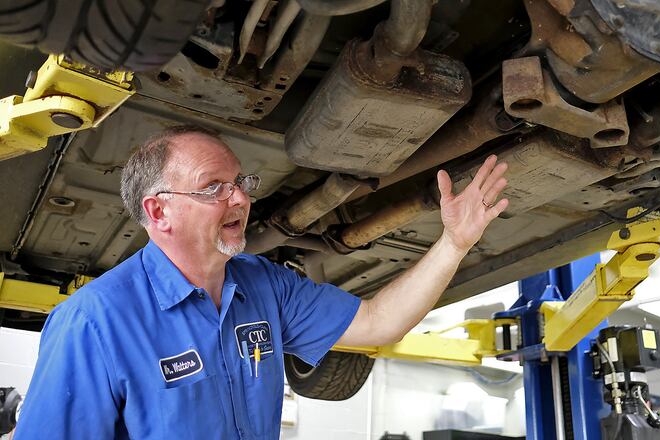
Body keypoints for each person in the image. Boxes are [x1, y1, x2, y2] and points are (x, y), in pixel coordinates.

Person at [12, 125, 509, 439]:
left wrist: (453, 244)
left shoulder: (265, 285)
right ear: (159, 211)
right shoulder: (93, 321)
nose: (240, 200)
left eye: (240, 184)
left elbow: (379, 323)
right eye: (214, 189)